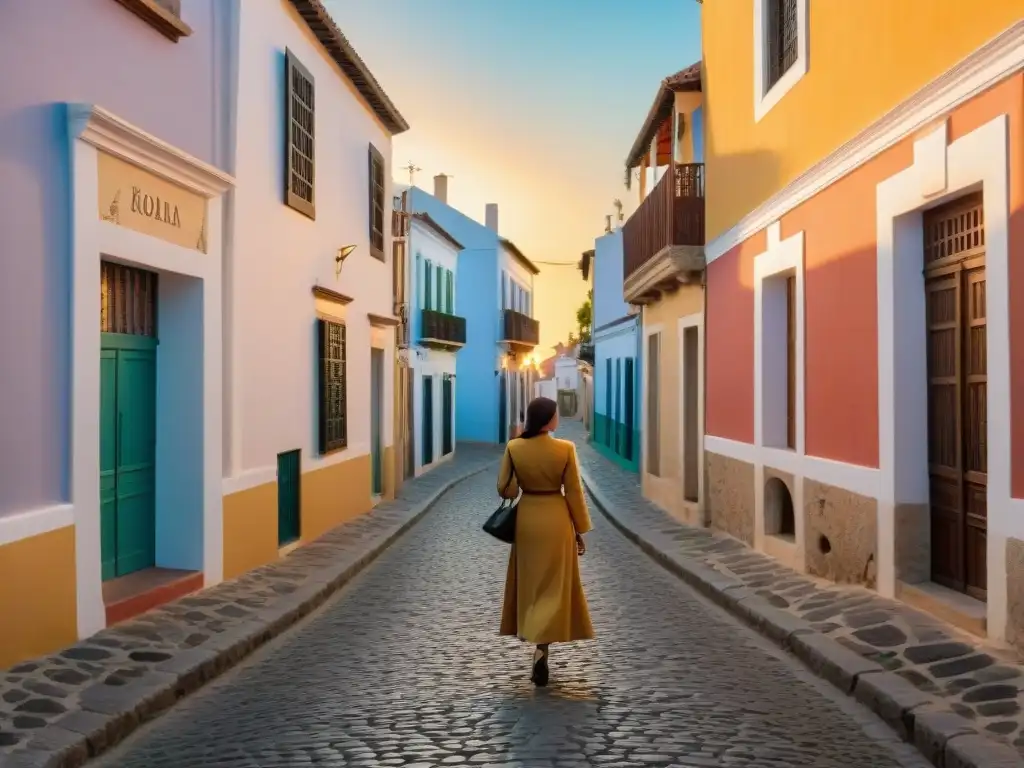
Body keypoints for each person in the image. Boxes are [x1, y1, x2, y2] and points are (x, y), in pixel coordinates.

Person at [496, 396, 594, 687]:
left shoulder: (514, 447)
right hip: (557, 518)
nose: (558, 419)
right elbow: (574, 491)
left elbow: (506, 489)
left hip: (528, 519)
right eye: (556, 415)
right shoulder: (565, 449)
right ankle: (543, 646)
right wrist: (580, 528)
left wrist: (519, 475)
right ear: (549, 419)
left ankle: (536, 638)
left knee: (531, 583)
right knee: (555, 584)